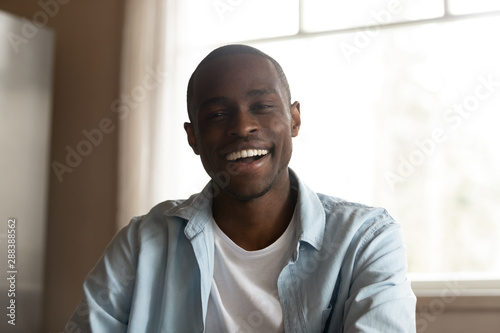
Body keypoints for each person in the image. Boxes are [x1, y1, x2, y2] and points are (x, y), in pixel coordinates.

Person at [66, 44, 416, 332]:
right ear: (193, 138)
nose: (243, 126)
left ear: (294, 119)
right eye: (217, 114)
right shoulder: (143, 242)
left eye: (262, 107)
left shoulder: (367, 240)